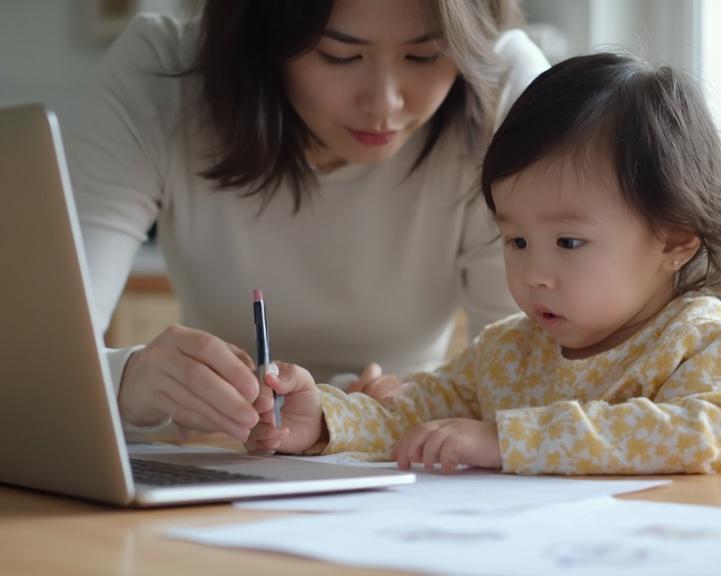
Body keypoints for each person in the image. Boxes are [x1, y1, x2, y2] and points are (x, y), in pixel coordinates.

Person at [245, 52, 721, 477]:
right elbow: (416, 412)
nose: (533, 274)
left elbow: (704, 432)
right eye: (516, 241)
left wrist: (506, 440)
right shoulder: (506, 352)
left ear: (674, 239)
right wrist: (321, 420)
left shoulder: (707, 346)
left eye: (568, 242)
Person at [69, 0, 550, 439]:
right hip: (210, 458)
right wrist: (124, 378)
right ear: (260, 35)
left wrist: (413, 407)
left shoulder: (505, 88)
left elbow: (531, 379)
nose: (384, 104)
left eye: (424, 55)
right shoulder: (162, 75)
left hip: (398, 455)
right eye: (339, 55)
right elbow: (31, 354)